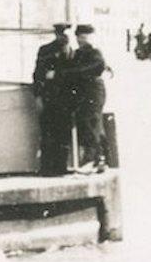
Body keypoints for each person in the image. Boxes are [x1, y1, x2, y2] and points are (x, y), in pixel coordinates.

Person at [61, 24, 109, 173]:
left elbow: (96, 67)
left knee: (91, 123)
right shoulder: (77, 53)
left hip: (93, 91)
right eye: (79, 37)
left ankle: (95, 159)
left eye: (84, 37)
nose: (82, 40)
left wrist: (69, 73)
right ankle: (98, 159)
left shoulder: (94, 52)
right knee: (88, 123)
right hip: (83, 93)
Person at [32, 22, 73, 176]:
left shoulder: (72, 53)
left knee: (63, 133)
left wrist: (55, 75)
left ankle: (60, 167)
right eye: (61, 34)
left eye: (66, 35)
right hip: (50, 97)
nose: (63, 37)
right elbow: (38, 75)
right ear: (56, 34)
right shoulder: (46, 50)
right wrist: (38, 96)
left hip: (65, 99)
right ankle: (48, 167)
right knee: (49, 132)